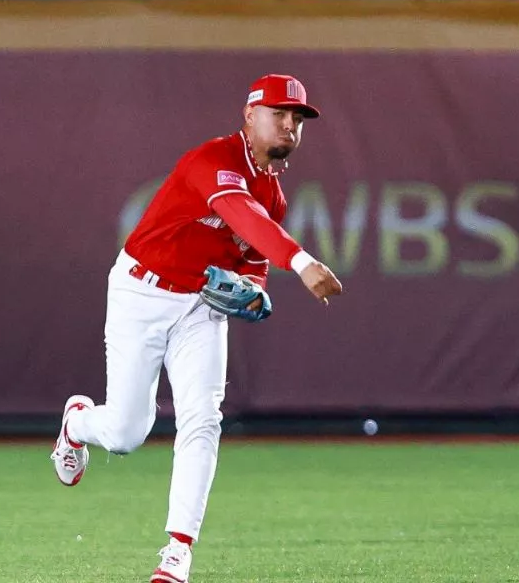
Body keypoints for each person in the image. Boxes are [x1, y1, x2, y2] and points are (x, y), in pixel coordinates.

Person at [50, 73, 345, 583]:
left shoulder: (274, 196)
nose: (290, 125)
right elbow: (241, 216)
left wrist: (254, 290)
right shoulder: (211, 161)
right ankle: (77, 422)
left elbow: (250, 264)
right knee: (124, 434)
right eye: (279, 114)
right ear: (249, 116)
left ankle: (177, 553)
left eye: (297, 118)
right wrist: (300, 262)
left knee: (204, 419)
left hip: (199, 308)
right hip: (141, 291)